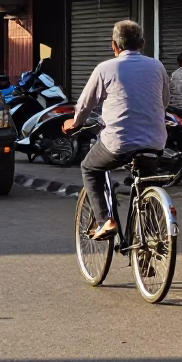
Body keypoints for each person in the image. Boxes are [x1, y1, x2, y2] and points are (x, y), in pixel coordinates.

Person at [63, 20, 169, 240]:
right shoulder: (157, 66)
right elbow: (164, 101)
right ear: (142, 43)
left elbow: (84, 105)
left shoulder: (106, 68)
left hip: (119, 143)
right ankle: (150, 241)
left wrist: (75, 123)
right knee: (147, 181)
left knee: (90, 168)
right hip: (155, 140)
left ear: (114, 45)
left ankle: (105, 221)